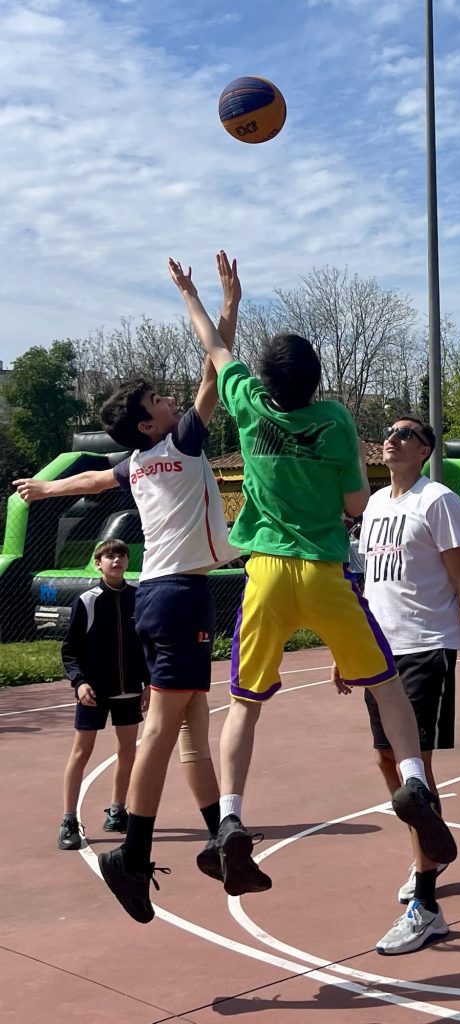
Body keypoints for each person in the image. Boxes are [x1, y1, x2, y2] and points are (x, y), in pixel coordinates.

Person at [167, 259, 458, 933]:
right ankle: (414, 782)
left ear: (263, 381)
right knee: (386, 689)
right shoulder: (333, 421)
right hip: (325, 573)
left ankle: (231, 818)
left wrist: (198, 295)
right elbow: (356, 503)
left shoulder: (245, 401)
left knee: (245, 705)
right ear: (316, 381)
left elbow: (214, 347)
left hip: (266, 573)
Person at [15, 251, 243, 923]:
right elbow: (214, 365)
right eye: (158, 402)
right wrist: (213, 299)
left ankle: (220, 837)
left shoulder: (139, 461)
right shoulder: (183, 444)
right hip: (175, 596)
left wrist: (46, 488)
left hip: (170, 595)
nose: (171, 400)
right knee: (162, 732)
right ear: (150, 423)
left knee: (193, 729)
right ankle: (133, 856)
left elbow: (92, 478)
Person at [334, 418, 460, 954]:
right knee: (386, 761)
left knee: (416, 770)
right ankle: (425, 855)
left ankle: (427, 907)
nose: (393, 437)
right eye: (390, 431)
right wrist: (350, 649)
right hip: (380, 652)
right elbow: (369, 586)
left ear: (425, 449)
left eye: (406, 433)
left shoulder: (439, 501)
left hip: (427, 646)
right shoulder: (374, 505)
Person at [58, 539, 149, 851]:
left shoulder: (138, 598)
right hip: (94, 692)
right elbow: (70, 650)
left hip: (129, 690)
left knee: (128, 752)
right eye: (110, 556)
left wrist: (148, 683)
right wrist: (79, 682)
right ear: (98, 563)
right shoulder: (87, 600)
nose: (117, 560)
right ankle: (69, 819)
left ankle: (117, 811)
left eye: (121, 555)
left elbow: (145, 645)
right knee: (81, 752)